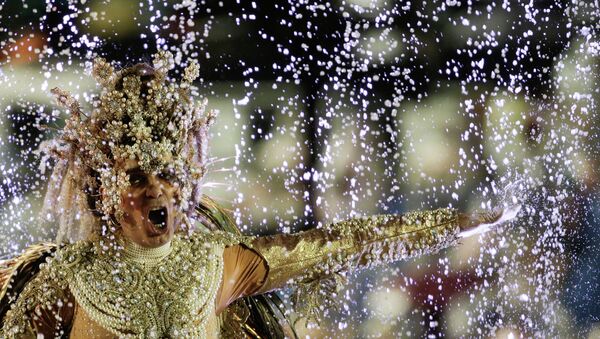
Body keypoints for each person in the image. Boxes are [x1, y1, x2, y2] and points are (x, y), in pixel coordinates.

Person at [0, 52, 516, 338]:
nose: (158, 189)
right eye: (138, 178)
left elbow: (343, 244)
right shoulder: (62, 283)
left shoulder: (216, 266)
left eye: (168, 174)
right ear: (104, 190)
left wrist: (454, 224)